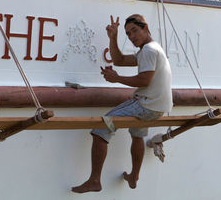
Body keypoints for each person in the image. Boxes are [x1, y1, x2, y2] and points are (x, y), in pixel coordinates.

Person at [71, 14, 172, 193]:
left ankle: (95, 180)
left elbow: (144, 80)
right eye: (128, 34)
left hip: (147, 105)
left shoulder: (148, 50)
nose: (132, 36)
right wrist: (113, 37)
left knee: (101, 127)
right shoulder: (150, 49)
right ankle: (134, 176)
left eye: (135, 31)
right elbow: (119, 61)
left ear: (145, 28)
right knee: (137, 134)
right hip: (157, 108)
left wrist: (116, 78)